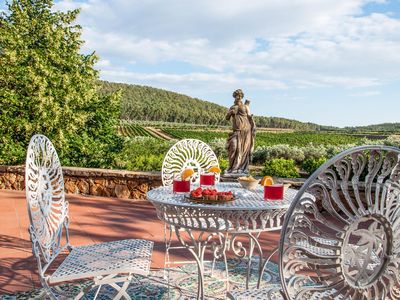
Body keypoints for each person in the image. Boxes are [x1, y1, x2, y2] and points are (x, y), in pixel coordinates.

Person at [225, 89, 256, 174]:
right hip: (237, 132)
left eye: (240, 96)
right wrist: (230, 112)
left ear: (242, 97)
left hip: (246, 132)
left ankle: (241, 168)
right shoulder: (232, 107)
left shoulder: (246, 106)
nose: (238, 97)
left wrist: (253, 124)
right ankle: (231, 167)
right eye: (237, 96)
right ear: (234, 97)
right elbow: (227, 118)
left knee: (244, 151)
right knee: (234, 148)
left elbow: (250, 117)